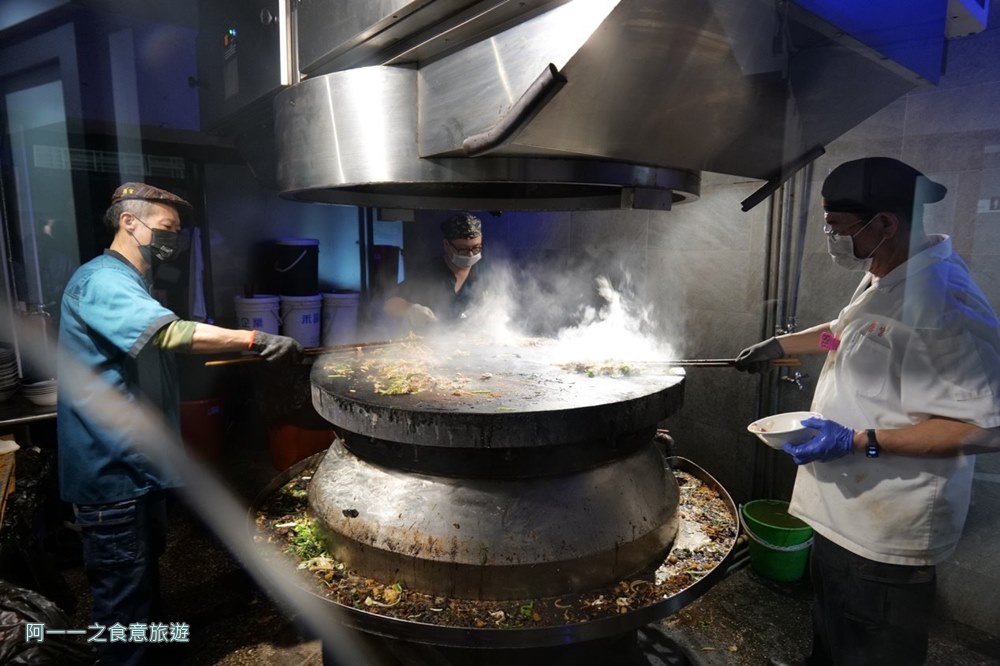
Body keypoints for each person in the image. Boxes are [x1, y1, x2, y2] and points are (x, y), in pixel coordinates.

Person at [734, 157, 1000, 666]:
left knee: (872, 647)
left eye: (839, 227)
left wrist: (857, 440)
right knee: (832, 633)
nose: (832, 238)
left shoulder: (945, 304)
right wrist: (779, 345)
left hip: (886, 531)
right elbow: (845, 330)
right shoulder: (888, 273)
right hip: (843, 513)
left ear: (885, 224)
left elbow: (984, 427)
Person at [57, 182, 302, 666]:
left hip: (135, 465)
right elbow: (168, 333)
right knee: (122, 596)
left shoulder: (132, 280)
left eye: (177, 233)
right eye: (166, 229)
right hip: (111, 471)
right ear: (129, 222)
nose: (173, 241)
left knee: (140, 579)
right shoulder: (102, 280)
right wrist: (253, 339)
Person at [383, 212, 489, 330]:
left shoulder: (486, 272)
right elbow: (390, 303)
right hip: (429, 344)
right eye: (462, 249)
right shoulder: (427, 273)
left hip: (473, 342)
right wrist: (410, 309)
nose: (470, 254)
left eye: (476, 248)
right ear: (446, 245)